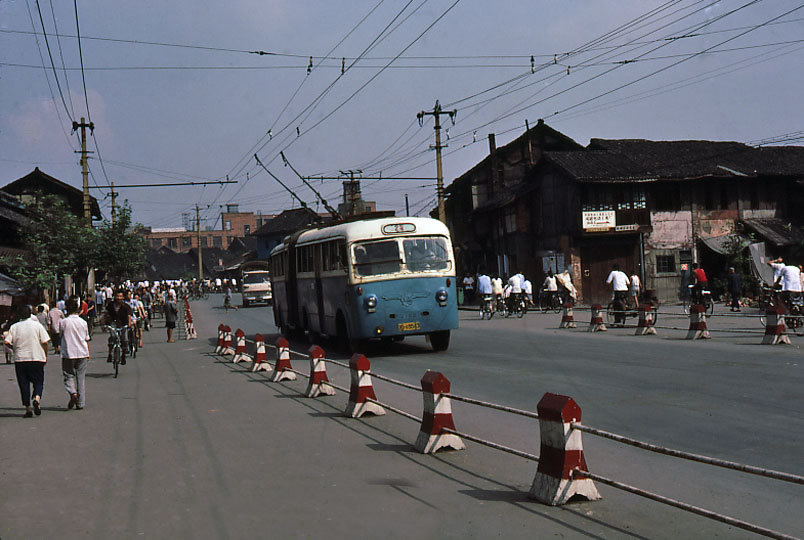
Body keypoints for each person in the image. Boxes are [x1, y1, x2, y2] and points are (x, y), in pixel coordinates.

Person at [4, 304, 50, 418]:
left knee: (23, 384)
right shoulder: (37, 326)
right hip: (37, 357)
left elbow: (6, 342)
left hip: (20, 359)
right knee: (38, 381)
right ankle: (37, 398)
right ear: (30, 313)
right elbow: (45, 342)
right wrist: (46, 355)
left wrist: (14, 348)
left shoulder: (14, 327)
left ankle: (28, 408)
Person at [60, 298, 90, 410]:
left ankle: (73, 393)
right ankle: (81, 403)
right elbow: (86, 339)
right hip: (82, 352)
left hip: (68, 353)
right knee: (81, 378)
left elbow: (60, 335)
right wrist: (88, 352)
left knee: (68, 375)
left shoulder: (63, 322)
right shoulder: (83, 322)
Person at [105, 290, 132, 365]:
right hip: (113, 323)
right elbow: (106, 314)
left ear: (123, 297)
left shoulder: (126, 306)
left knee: (124, 339)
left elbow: (129, 316)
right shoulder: (110, 305)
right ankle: (110, 354)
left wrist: (129, 325)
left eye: (120, 296)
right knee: (112, 337)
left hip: (123, 324)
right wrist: (105, 324)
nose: (119, 298)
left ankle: (123, 355)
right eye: (117, 296)